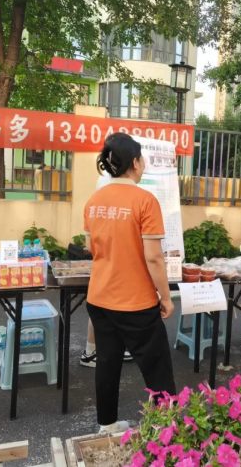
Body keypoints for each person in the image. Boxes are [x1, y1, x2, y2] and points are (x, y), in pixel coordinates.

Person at [84, 133, 176, 434]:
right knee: (157, 367)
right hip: (136, 301)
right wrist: (166, 297)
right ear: (135, 163)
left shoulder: (94, 201)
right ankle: (166, 431)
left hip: (99, 298)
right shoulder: (145, 200)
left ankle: (107, 425)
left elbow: (90, 247)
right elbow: (154, 258)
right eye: (141, 158)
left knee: (107, 363)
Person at [80, 171, 133, 367]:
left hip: (103, 267)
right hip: (114, 267)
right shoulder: (113, 204)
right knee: (108, 310)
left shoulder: (95, 205)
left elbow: (89, 245)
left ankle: (93, 350)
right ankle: (92, 351)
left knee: (101, 310)